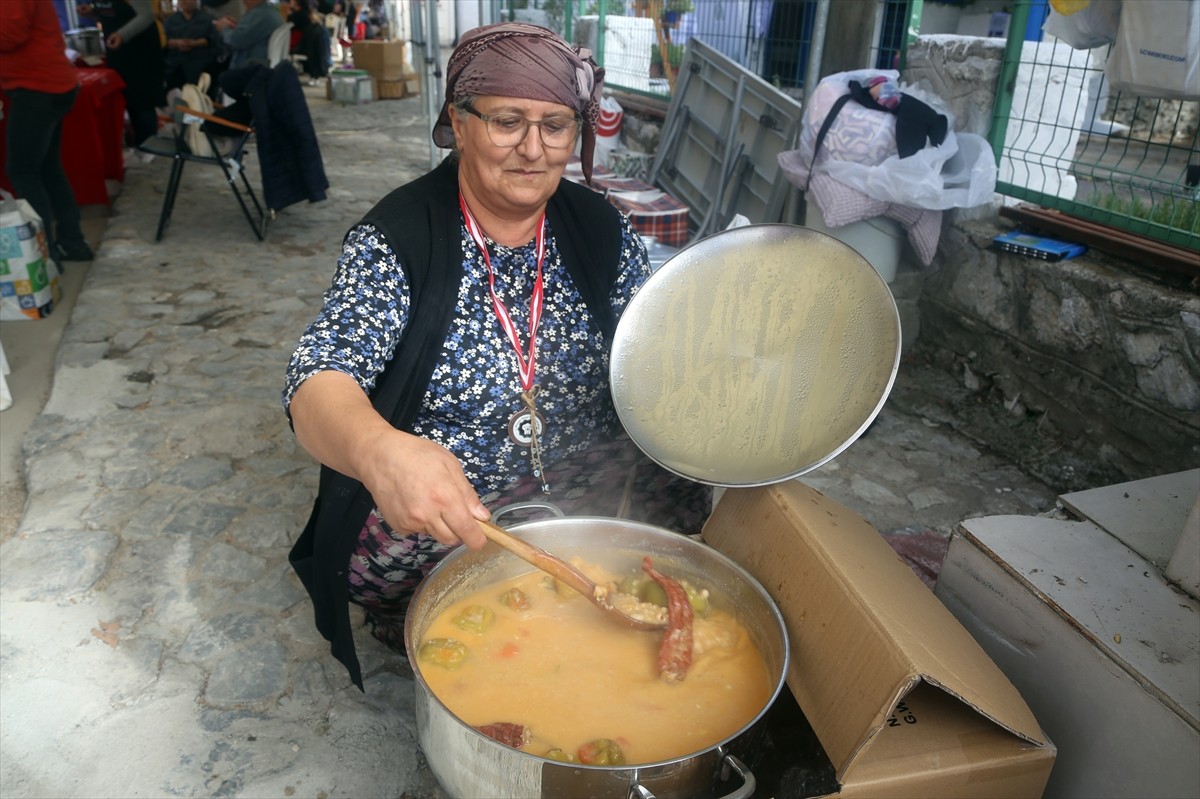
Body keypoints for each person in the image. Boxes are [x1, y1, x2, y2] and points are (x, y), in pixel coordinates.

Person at [283, 22, 710, 689]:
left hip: (581, 476)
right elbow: (318, 378)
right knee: (382, 556)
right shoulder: (397, 237)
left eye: (557, 126)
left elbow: (654, 351)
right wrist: (380, 451)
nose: (534, 151)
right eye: (508, 121)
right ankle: (425, 617)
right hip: (457, 504)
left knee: (688, 482)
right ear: (457, 120)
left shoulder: (598, 227)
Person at [1, 0, 94, 262]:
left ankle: (44, 254)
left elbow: (9, 36)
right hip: (48, 84)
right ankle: (72, 242)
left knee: (23, 172)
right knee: (47, 168)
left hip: (37, 88)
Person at [76, 0, 164, 147]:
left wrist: (122, 35)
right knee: (128, 98)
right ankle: (138, 145)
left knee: (142, 102)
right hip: (118, 50)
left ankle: (149, 149)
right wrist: (92, 11)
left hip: (140, 50)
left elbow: (147, 16)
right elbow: (110, 12)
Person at [162, 0, 220, 93]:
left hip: (201, 62)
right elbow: (165, 41)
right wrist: (178, 43)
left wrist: (194, 43)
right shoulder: (170, 21)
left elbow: (213, 39)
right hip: (176, 63)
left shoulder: (207, 18)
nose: (185, 1)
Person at [212, 0, 283, 71]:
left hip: (249, 69)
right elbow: (248, 33)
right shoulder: (267, 11)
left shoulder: (259, 15)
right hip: (260, 66)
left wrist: (223, 29)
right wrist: (236, 26)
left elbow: (237, 41)